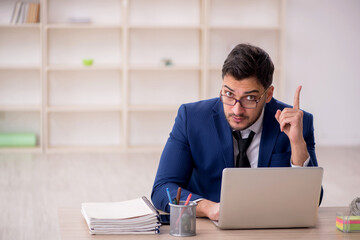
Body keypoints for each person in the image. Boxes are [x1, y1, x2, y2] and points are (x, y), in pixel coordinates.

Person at [151, 43, 322, 221]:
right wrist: (209, 208)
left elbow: (312, 200)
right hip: (208, 227)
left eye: (250, 98)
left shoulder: (297, 123)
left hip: (272, 227)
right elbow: (163, 188)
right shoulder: (191, 118)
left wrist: (297, 144)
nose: (236, 110)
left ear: (268, 94)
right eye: (229, 94)